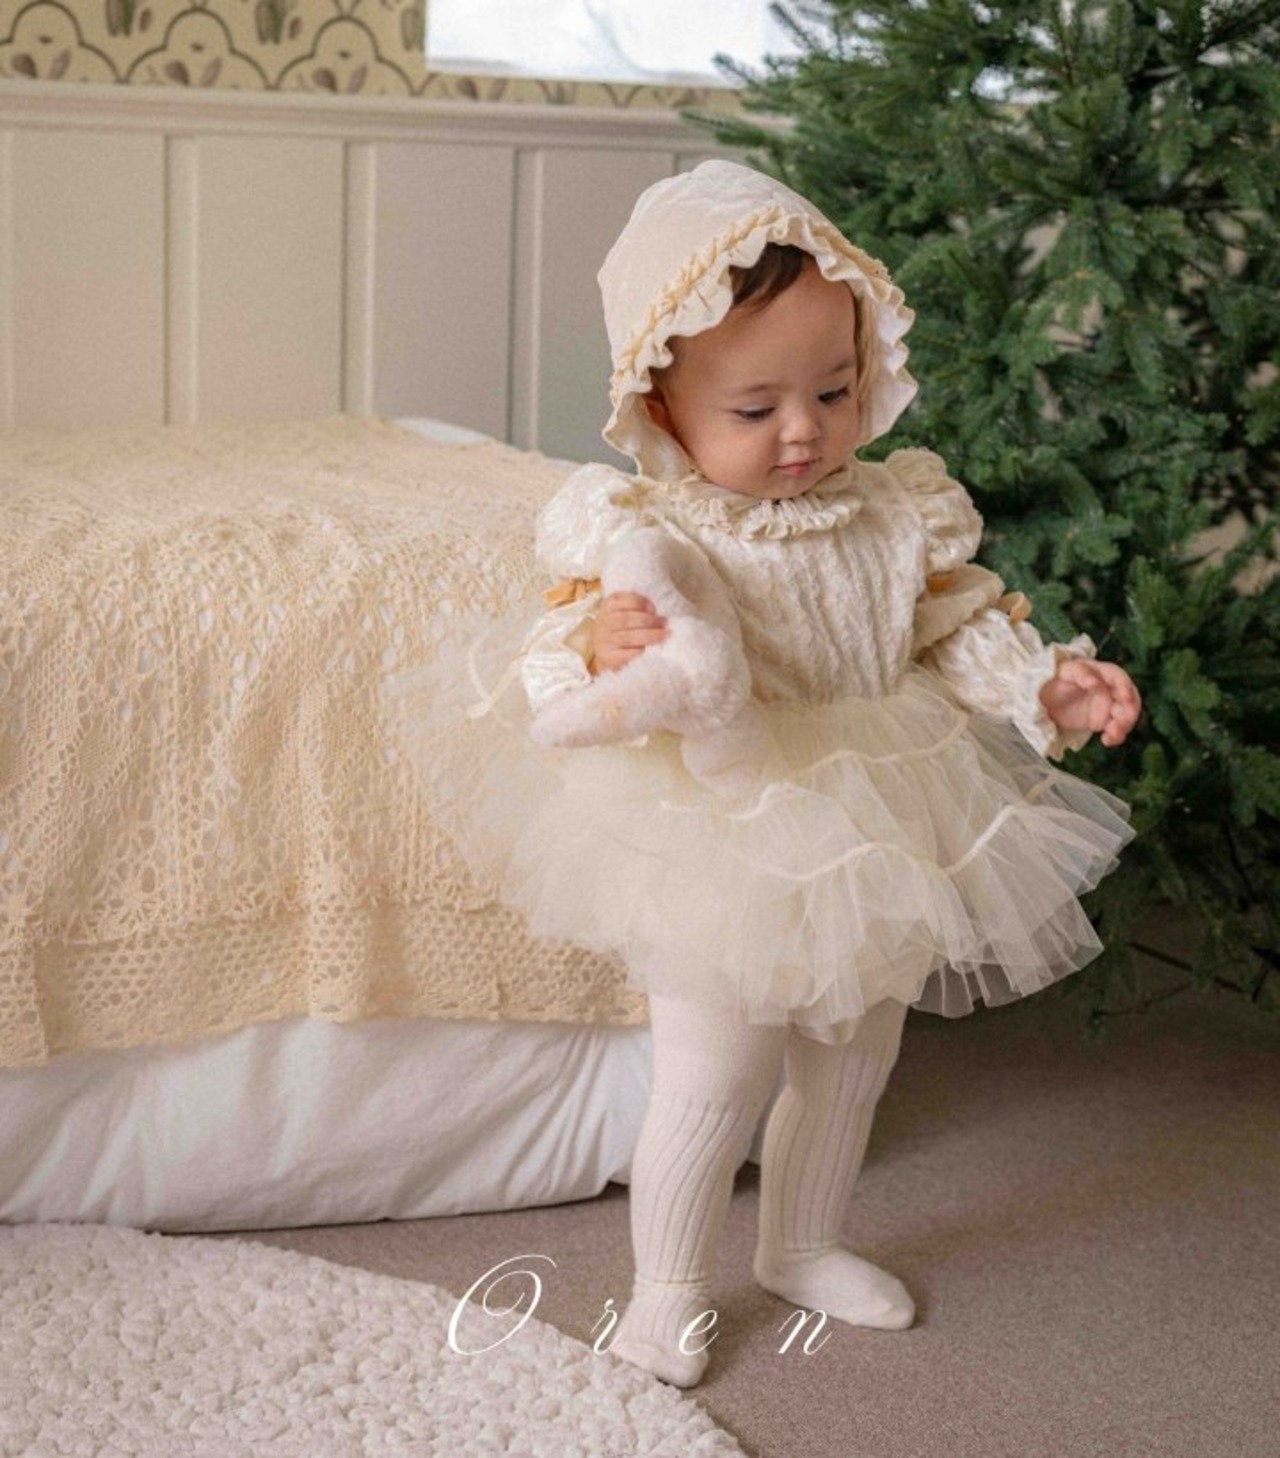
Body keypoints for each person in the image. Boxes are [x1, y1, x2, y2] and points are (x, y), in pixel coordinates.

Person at [393, 160, 1140, 1388]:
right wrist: (604, 648)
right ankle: (668, 1294)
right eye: (754, 407)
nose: (803, 430)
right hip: (725, 826)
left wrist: (1042, 686)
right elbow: (558, 656)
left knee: (850, 1058)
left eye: (832, 391)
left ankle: (802, 1244)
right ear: (661, 407)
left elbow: (949, 632)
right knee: (715, 1074)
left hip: (879, 807)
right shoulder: (653, 533)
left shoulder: (894, 512)